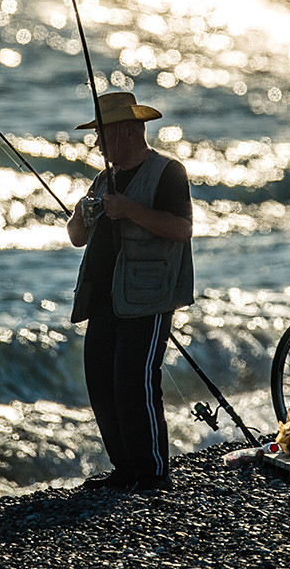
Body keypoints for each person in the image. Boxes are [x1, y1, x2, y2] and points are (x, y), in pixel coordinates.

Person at [67, 92, 195, 492]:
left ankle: (153, 473)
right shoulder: (103, 179)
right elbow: (76, 237)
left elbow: (182, 229)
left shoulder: (167, 172)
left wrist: (129, 210)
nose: (97, 143)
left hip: (148, 298)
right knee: (101, 383)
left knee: (135, 384)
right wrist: (82, 212)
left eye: (102, 134)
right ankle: (124, 470)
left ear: (127, 131)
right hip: (103, 298)